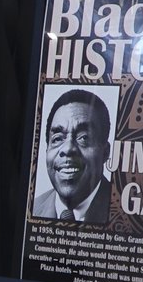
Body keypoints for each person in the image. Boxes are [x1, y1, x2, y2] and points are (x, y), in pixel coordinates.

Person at [33, 88, 113, 223]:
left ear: (105, 152)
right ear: (47, 150)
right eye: (57, 139)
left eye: (84, 137)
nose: (68, 148)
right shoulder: (33, 208)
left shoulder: (124, 215)